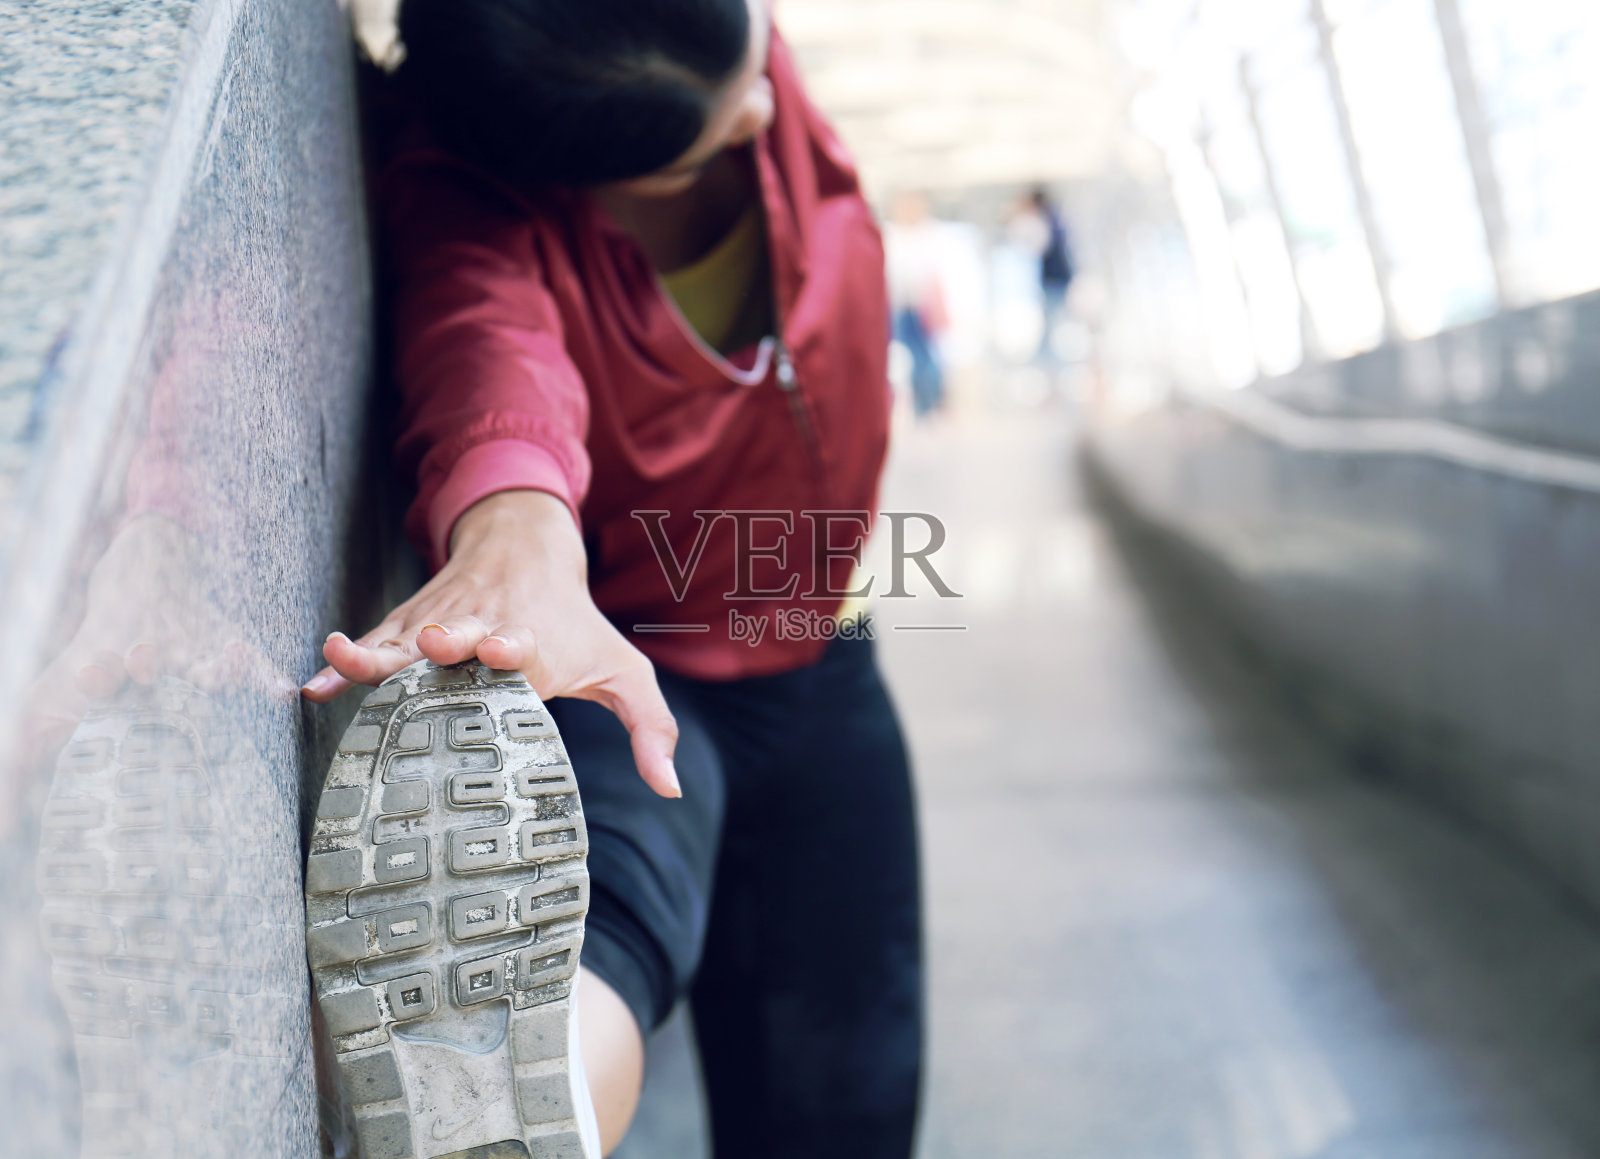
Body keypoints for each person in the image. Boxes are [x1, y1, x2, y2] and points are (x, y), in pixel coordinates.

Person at [301, 2, 922, 1157]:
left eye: (752, 48)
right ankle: (509, 1114)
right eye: (722, 119)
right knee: (600, 934)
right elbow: (487, 345)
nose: (765, 105)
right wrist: (515, 527)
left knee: (850, 1107)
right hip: (629, 667)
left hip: (826, 660)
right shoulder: (475, 194)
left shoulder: (700, 42)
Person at [884, 190, 948, 417]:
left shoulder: (928, 236)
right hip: (901, 306)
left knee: (926, 358)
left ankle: (930, 403)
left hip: (921, 307)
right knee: (906, 358)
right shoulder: (894, 236)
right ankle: (918, 406)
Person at [1010, 186, 1075, 372]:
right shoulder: (1055, 220)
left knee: (1052, 329)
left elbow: (1036, 246)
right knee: (1053, 327)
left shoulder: (1045, 223)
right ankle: (1051, 368)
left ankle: (1051, 369)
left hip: (1054, 283)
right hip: (1057, 282)